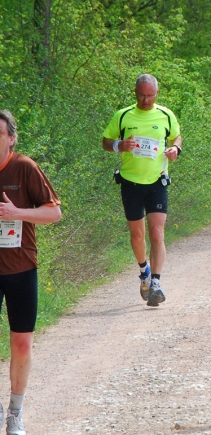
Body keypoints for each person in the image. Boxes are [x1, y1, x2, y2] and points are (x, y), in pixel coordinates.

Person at [0, 109, 61, 434]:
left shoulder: (24, 167)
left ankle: (15, 413)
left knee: (21, 343)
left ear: (11, 139)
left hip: (21, 267)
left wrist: (16, 212)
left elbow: (54, 214)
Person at [102, 74, 182, 307]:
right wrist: (119, 145)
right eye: (141, 95)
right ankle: (144, 272)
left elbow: (176, 135)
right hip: (131, 182)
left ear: (157, 94)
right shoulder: (124, 115)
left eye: (150, 95)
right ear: (135, 93)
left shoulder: (166, 114)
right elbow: (106, 141)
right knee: (137, 235)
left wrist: (175, 148)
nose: (146, 100)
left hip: (157, 181)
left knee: (157, 233)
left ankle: (156, 283)